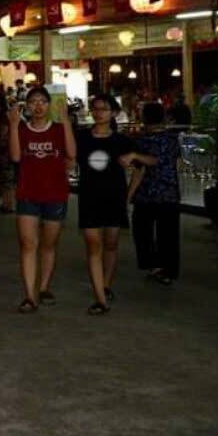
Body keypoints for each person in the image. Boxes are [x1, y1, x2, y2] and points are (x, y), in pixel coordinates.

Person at [9, 87, 76, 314]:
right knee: (28, 245)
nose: (38, 106)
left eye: (42, 102)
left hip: (55, 194)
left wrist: (65, 120)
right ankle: (29, 295)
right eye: (33, 102)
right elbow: (16, 157)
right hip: (28, 193)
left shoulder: (58, 128)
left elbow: (72, 153)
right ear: (26, 106)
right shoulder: (21, 129)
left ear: (49, 105)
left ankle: (44, 286)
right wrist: (12, 125)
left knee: (48, 243)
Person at [74, 95, 141, 315]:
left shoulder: (121, 141)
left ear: (113, 112)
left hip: (114, 198)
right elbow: (68, 158)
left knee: (111, 244)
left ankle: (105, 285)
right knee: (93, 246)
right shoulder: (81, 137)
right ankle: (100, 299)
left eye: (104, 109)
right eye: (95, 108)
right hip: (89, 198)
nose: (99, 112)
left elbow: (141, 167)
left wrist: (128, 195)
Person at [129, 102, 180, 285]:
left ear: (144, 118)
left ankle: (153, 264)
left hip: (147, 194)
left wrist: (129, 195)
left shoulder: (142, 141)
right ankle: (168, 269)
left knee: (142, 232)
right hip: (169, 193)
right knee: (169, 235)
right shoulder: (173, 139)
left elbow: (141, 169)